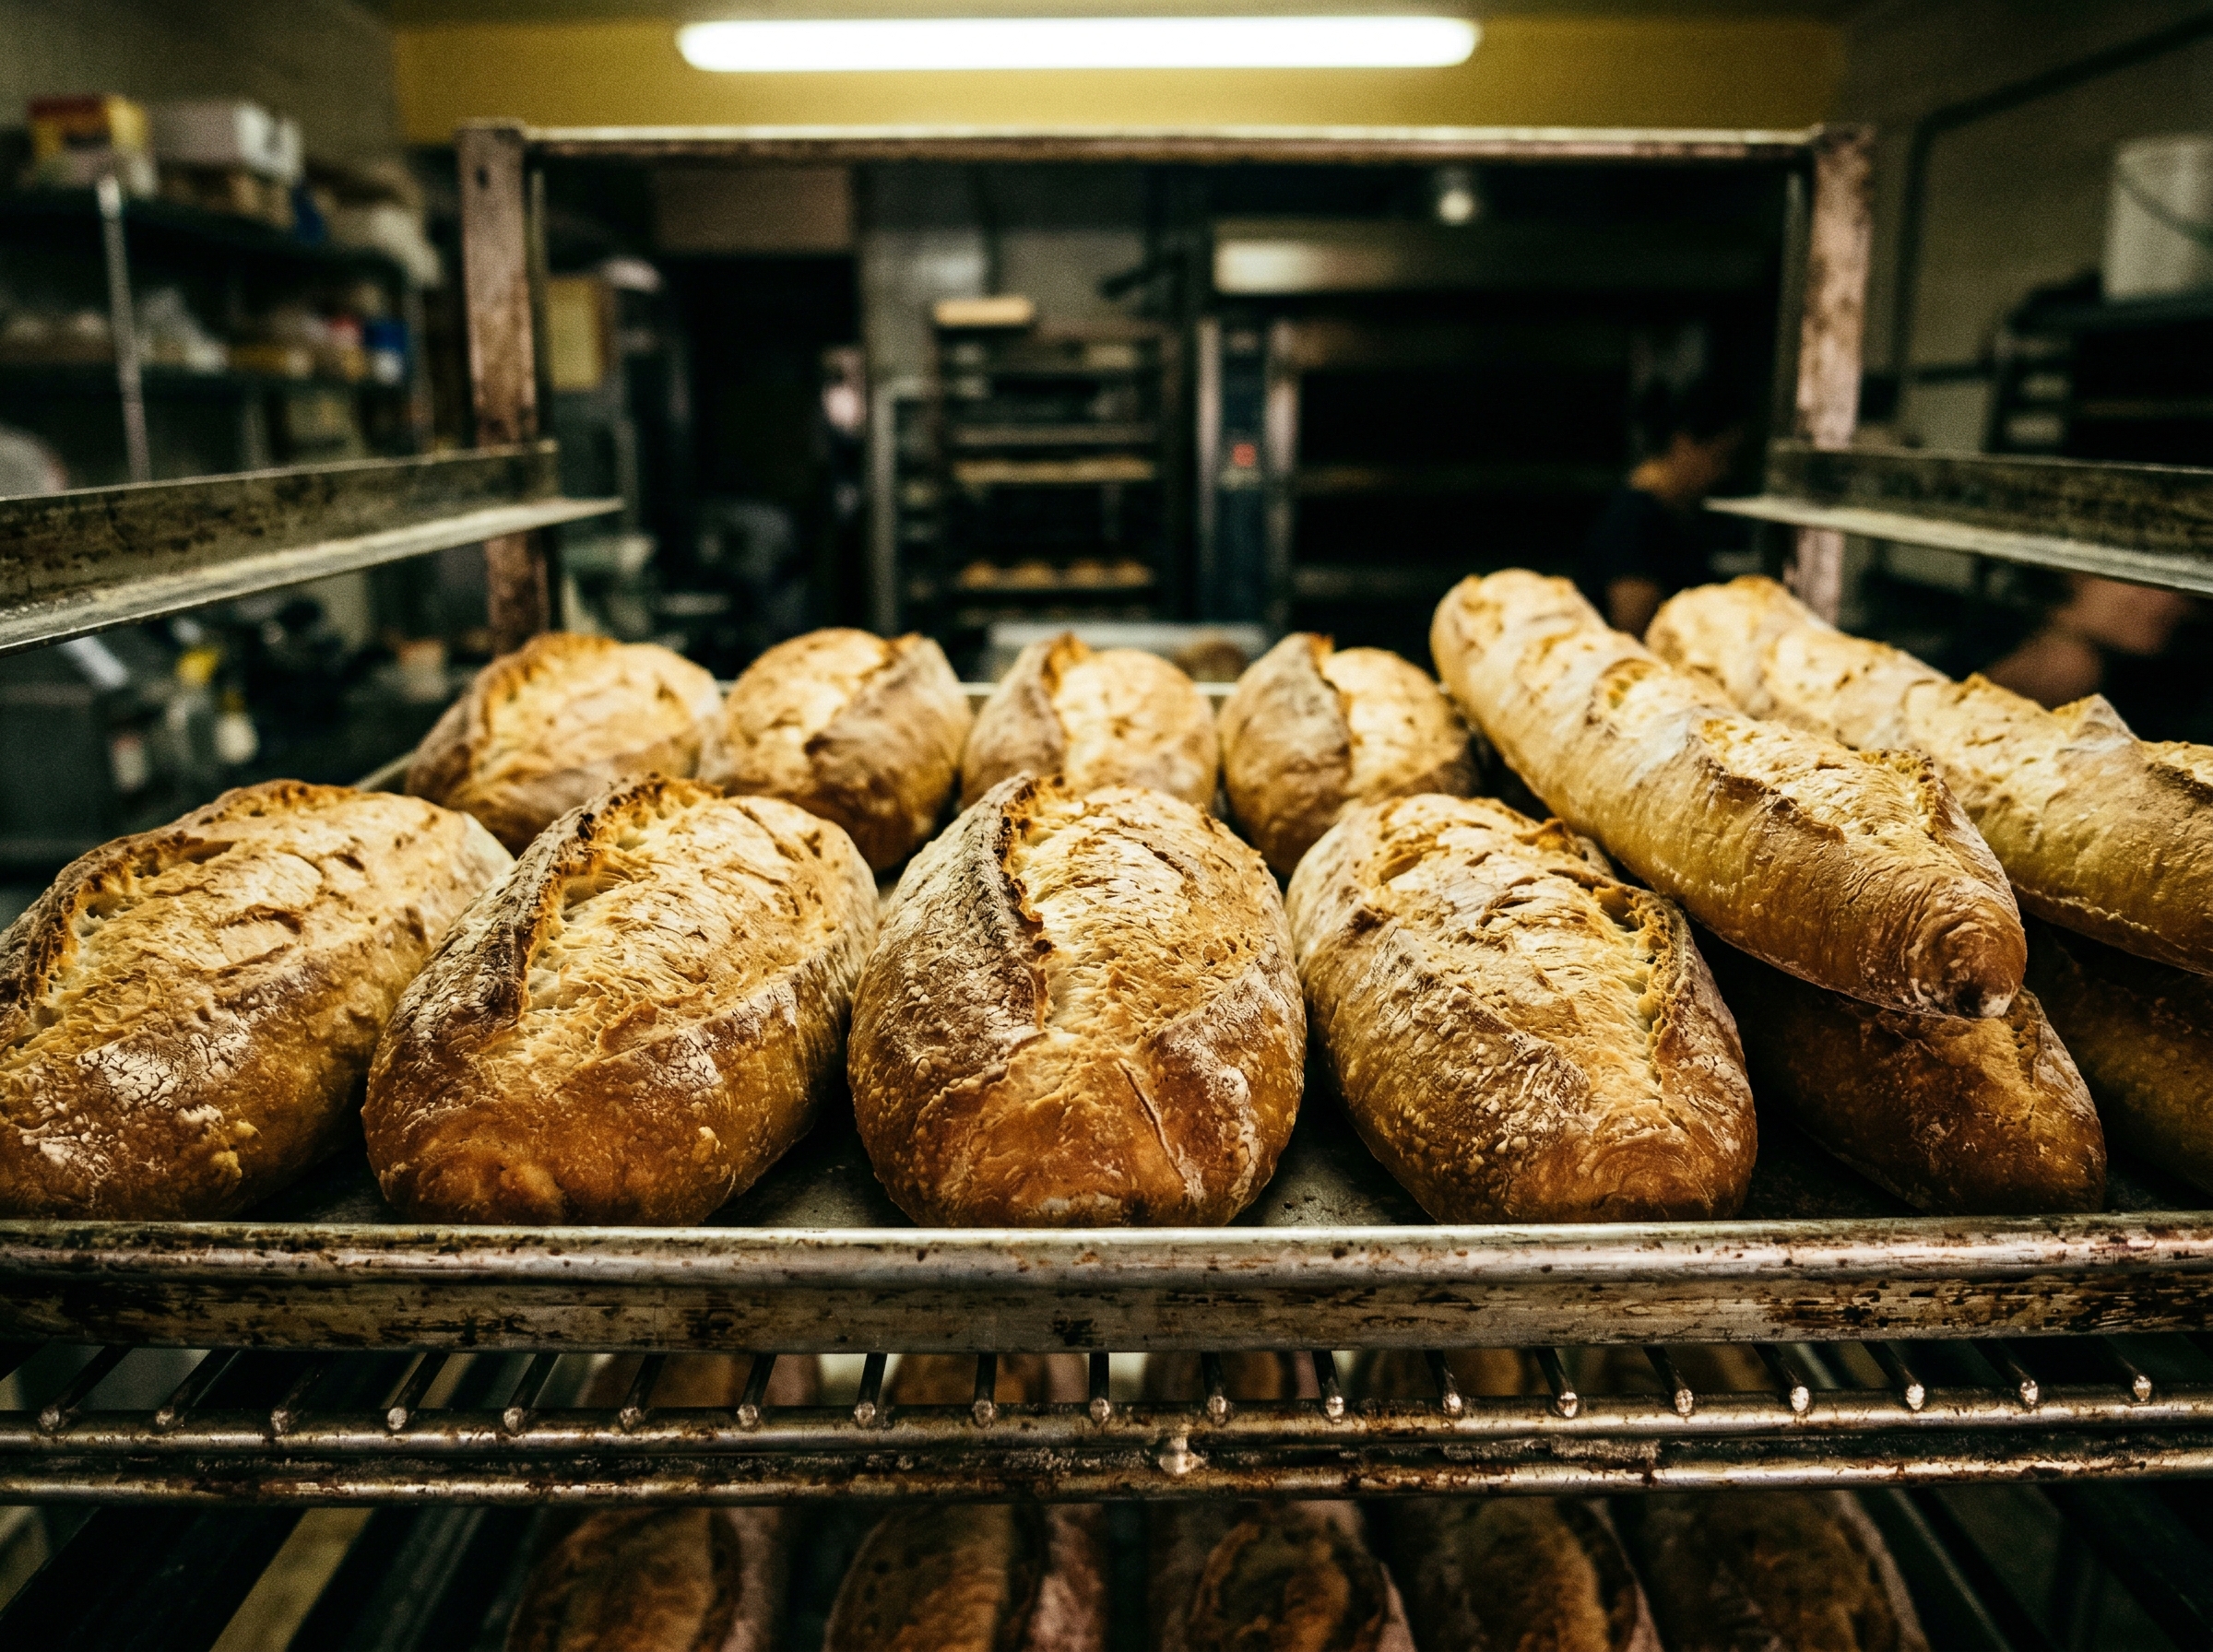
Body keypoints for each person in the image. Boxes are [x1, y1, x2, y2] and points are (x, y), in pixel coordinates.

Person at [1578, 378, 1748, 638]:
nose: (1725, 473)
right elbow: (1634, 624)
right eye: (1720, 457)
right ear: (1683, 444)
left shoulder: (1672, 513)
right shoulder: (1635, 518)